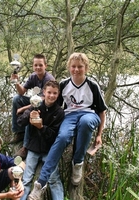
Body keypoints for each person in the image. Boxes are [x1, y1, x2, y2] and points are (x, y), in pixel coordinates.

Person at [28, 52, 108, 200]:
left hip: (89, 114)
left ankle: (77, 162)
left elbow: (102, 112)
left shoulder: (92, 85)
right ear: (69, 67)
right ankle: (40, 183)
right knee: (63, 136)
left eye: (80, 67)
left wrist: (99, 135)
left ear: (86, 68)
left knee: (84, 123)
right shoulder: (64, 84)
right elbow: (54, 106)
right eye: (73, 66)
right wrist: (37, 114)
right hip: (70, 115)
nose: (76, 70)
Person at [17, 80, 65, 200]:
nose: (51, 96)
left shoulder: (59, 112)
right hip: (33, 148)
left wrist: (41, 127)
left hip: (50, 151)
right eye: (49, 92)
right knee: (26, 179)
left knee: (54, 180)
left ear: (58, 94)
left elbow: (54, 135)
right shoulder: (36, 105)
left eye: (54, 93)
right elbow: (20, 122)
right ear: (44, 92)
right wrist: (30, 116)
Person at [9, 54, 55, 148]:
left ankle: (25, 146)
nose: (38, 67)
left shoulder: (48, 79)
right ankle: (18, 132)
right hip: (36, 102)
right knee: (16, 99)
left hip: (46, 105)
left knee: (29, 111)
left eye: (40, 65)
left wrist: (23, 109)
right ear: (33, 66)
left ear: (45, 66)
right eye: (36, 65)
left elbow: (43, 100)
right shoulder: (33, 76)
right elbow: (22, 92)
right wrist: (16, 82)